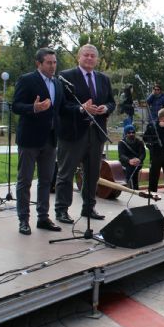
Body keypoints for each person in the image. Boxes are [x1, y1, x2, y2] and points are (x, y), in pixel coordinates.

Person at [54, 44, 116, 224]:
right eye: (86, 55)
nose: (89, 58)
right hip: (73, 133)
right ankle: (62, 210)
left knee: (92, 174)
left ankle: (89, 207)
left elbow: (111, 102)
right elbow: (62, 105)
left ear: (97, 60)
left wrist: (105, 108)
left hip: (96, 132)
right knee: (66, 173)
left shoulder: (103, 79)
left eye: (92, 56)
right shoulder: (66, 77)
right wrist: (81, 109)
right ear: (78, 57)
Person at [12, 47, 64, 235]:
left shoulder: (58, 84)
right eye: (49, 63)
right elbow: (15, 106)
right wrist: (33, 108)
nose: (52, 66)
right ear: (39, 63)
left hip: (50, 139)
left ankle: (43, 217)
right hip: (30, 139)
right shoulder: (27, 80)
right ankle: (23, 220)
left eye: (54, 62)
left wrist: (82, 109)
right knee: (24, 180)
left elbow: (61, 108)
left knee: (46, 180)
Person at [118, 125, 146, 190]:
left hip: (137, 163)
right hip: (126, 163)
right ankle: (129, 188)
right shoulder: (121, 143)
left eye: (133, 132)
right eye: (129, 133)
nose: (131, 134)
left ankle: (134, 189)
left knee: (134, 171)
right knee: (129, 170)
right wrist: (129, 160)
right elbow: (121, 155)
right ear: (125, 133)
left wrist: (139, 159)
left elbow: (143, 153)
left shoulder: (139, 142)